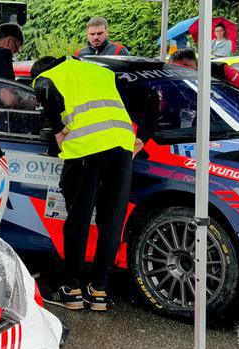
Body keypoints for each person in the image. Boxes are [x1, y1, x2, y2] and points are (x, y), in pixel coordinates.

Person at [30, 55, 156, 312]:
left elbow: (43, 90)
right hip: (121, 149)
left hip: (85, 152)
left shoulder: (48, 77)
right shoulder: (101, 73)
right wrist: (141, 139)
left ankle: (72, 289)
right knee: (111, 222)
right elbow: (152, 99)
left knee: (78, 219)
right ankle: (99, 291)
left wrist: (56, 129)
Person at [169, 47, 239, 94]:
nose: (183, 70)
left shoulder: (222, 70)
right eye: (177, 67)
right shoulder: (171, 81)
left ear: (197, 63)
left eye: (186, 66)